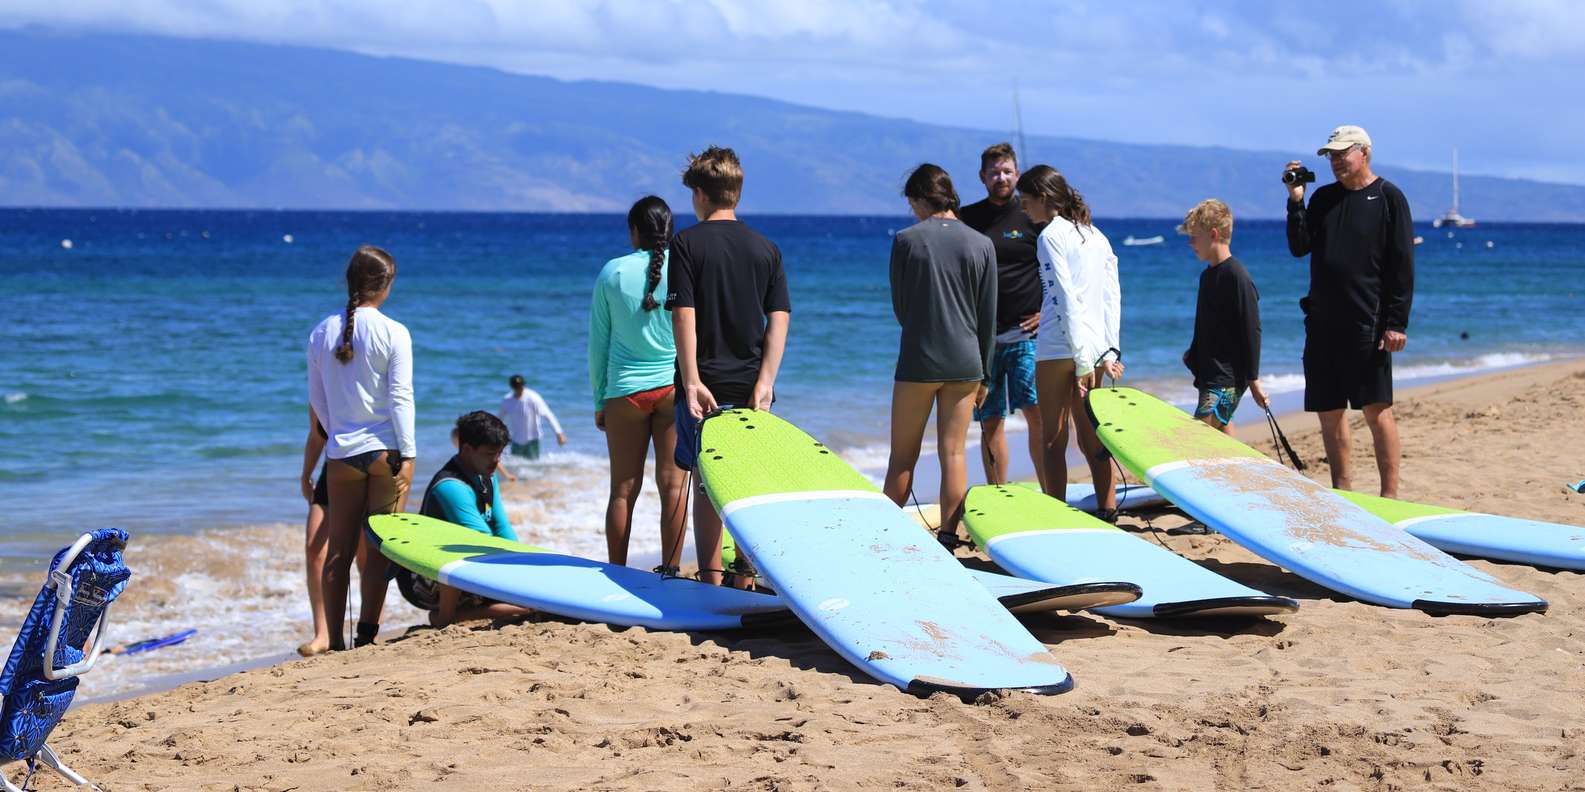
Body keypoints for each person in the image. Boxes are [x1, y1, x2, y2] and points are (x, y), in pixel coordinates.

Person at [666, 145, 791, 588]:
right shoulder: (766, 248)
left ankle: (710, 576)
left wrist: (692, 380)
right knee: (746, 481)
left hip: (706, 384)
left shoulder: (686, 243)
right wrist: (766, 383)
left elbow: (685, 313)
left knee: (706, 483)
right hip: (752, 381)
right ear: (736, 192)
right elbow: (779, 317)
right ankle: (746, 575)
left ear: (700, 194)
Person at [1285, 125, 1413, 498]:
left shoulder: (1389, 198)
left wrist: (1396, 323)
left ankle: (1390, 496)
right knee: (1329, 411)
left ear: (1365, 152)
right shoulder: (1323, 198)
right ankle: (1343, 492)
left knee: (1376, 410)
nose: (1337, 161)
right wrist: (1296, 201)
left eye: (1343, 154)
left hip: (1368, 324)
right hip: (1323, 323)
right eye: (1331, 156)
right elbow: (1299, 246)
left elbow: (1402, 265)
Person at [306, 245, 415, 650]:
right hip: (385, 452)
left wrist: (338, 433)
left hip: (341, 455)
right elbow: (401, 397)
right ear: (385, 285)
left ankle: (334, 642)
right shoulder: (394, 332)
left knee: (339, 550)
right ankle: (366, 635)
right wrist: (409, 453)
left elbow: (317, 401)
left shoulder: (320, 332)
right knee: (379, 546)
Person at [883, 164, 996, 542]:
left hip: (919, 359)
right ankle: (948, 535)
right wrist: (986, 375)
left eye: (912, 203)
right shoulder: (982, 244)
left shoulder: (906, 240)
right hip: (967, 362)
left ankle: (889, 535)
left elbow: (901, 307)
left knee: (902, 457)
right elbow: (987, 317)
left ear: (918, 198)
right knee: (954, 454)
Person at [1015, 165, 1124, 519]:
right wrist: (1110, 349)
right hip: (1093, 350)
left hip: (1060, 349)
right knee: (1092, 435)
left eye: (1026, 201)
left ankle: (1056, 515)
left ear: (1044, 199)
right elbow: (1112, 298)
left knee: (1052, 439)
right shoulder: (1097, 236)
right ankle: (1108, 511)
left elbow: (1062, 298)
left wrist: (1078, 360)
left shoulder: (1050, 236)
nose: (1023, 208)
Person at [588, 196, 688, 570]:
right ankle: (672, 570)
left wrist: (600, 399)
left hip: (625, 393)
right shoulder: (683, 269)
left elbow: (598, 345)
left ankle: (617, 571)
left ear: (633, 231)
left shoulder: (612, 273)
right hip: (672, 389)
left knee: (623, 489)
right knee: (673, 487)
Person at [397, 411, 535, 628]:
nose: (497, 461)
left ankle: (492, 607)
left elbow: (501, 526)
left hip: (464, 568)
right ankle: (445, 616)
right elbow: (483, 540)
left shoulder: (486, 475)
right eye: (490, 454)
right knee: (527, 605)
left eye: (500, 454)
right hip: (424, 582)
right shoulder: (451, 487)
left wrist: (525, 567)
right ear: (467, 449)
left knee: (525, 592)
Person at [960, 143, 1045, 488]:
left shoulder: (1030, 217)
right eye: (994, 172)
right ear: (982, 176)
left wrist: (1046, 312)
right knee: (990, 420)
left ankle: (1050, 490)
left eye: (1007, 171)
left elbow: (1054, 269)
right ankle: (999, 493)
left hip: (1028, 335)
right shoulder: (968, 218)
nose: (1001, 178)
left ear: (1017, 174)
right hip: (985, 339)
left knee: (1036, 414)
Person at [1178, 199, 1269, 434]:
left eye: (1194, 236)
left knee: (1200, 437)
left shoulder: (1237, 276)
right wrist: (1194, 352)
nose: (1190, 243)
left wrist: (1253, 379)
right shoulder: (1207, 276)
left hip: (1226, 378)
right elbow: (1206, 323)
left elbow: (1251, 329)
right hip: (1209, 373)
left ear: (1214, 234)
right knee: (1221, 438)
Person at [498, 374, 565, 460]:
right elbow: (499, 419)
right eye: (516, 387)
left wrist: (559, 432)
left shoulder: (533, 397)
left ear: (523, 385)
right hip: (516, 440)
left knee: (533, 464)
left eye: (520, 386)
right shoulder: (507, 400)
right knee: (515, 465)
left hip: (533, 439)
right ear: (512, 387)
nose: (519, 389)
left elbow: (548, 415)